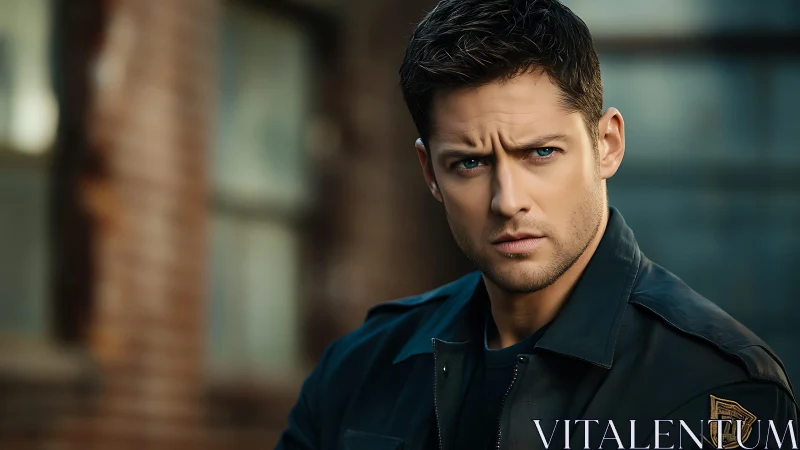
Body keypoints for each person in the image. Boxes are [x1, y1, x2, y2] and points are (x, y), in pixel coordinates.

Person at [276, 0, 798, 448]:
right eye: (470, 163)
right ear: (429, 172)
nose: (508, 201)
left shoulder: (717, 388)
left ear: (606, 145)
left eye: (541, 152)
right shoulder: (359, 367)